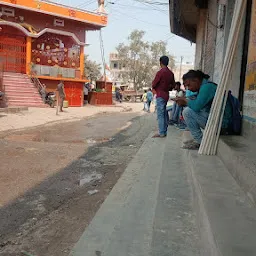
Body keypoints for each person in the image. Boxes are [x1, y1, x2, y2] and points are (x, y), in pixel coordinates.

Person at [175, 70, 232, 150]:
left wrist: (185, 101)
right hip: (219, 122)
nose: (189, 89)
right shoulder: (205, 86)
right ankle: (198, 139)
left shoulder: (207, 87)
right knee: (189, 109)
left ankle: (199, 141)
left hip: (222, 125)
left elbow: (196, 107)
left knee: (187, 112)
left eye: (189, 85)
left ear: (196, 80)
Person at [152, 56, 175, 138]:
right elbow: (173, 85)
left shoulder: (160, 72)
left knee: (161, 114)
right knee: (164, 112)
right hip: (166, 94)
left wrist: (155, 88)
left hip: (160, 94)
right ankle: (164, 130)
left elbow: (154, 84)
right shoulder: (171, 73)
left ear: (160, 62)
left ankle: (162, 132)